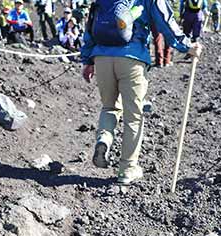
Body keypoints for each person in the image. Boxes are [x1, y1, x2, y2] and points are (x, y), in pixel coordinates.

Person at [81, 0, 202, 185]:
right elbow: (165, 22)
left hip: (102, 57)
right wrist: (187, 46)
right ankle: (127, 169)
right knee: (134, 116)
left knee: (109, 107)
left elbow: (91, 24)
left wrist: (87, 59)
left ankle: (104, 138)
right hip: (132, 58)